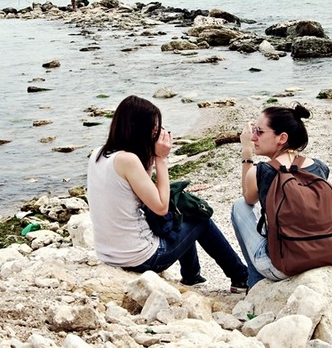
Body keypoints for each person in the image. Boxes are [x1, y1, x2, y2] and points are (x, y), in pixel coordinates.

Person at [87, 95, 248, 292]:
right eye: (154, 128)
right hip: (141, 258)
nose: (156, 132)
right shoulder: (128, 160)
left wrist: (150, 156)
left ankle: (192, 275)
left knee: (181, 210)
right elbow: (161, 207)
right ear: (140, 129)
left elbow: (143, 192)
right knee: (200, 218)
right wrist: (161, 159)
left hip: (108, 254)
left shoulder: (99, 154)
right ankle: (241, 277)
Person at [231, 103, 330, 288]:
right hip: (327, 254)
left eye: (259, 132)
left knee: (239, 206)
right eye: (254, 131)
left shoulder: (261, 172)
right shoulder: (319, 166)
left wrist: (247, 153)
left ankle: (255, 283)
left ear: (282, 138)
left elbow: (248, 198)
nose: (253, 137)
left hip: (284, 266)